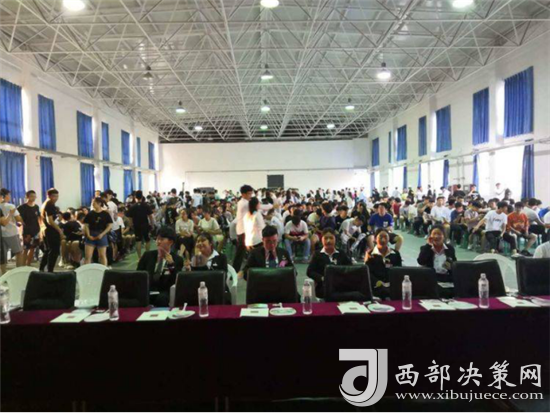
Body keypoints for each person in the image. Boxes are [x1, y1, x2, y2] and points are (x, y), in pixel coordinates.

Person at [137, 226, 183, 307]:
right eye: (157, 239)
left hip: (164, 292)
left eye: (161, 239)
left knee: (162, 298)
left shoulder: (177, 259)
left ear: (170, 242)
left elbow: (176, 281)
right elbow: (138, 275)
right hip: (147, 290)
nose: (158, 242)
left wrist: (171, 265)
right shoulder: (147, 255)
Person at [307, 228, 351, 298]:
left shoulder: (341, 253)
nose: (328, 241)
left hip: (341, 285)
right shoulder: (317, 254)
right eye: (326, 238)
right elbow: (310, 271)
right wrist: (321, 278)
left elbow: (350, 268)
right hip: (323, 286)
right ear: (322, 239)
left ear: (335, 239)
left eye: (331, 238)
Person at [364, 228, 402, 296]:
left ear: (389, 239)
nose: (383, 240)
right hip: (375, 288)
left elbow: (399, 271)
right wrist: (377, 282)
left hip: (392, 287)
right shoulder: (369, 254)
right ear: (375, 239)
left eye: (385, 237)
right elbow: (367, 273)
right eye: (380, 237)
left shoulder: (396, 254)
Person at [83, 197, 113, 266]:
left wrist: (102, 234)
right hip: (91, 234)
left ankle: (104, 270)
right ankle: (87, 271)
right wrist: (88, 235)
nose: (92, 204)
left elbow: (109, 225)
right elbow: (86, 225)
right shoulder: (90, 214)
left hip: (102, 234)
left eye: (94, 202)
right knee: (88, 256)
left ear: (99, 203)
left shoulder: (105, 214)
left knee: (102, 256)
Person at [40, 188, 63, 272]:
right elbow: (50, 221)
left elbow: (53, 219)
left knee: (48, 251)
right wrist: (59, 230)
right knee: (54, 251)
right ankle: (50, 270)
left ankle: (42, 268)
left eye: (57, 196)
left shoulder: (47, 204)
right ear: (48, 196)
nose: (56, 198)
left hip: (46, 230)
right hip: (51, 231)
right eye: (53, 196)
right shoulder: (49, 204)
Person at [0, 189, 24, 271]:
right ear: (5, 196)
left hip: (2, 234)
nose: (10, 196)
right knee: (19, 252)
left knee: (3, 256)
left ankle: (3, 273)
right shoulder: (10, 206)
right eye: (9, 195)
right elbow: (18, 219)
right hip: (11, 233)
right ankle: (18, 271)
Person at [126, 190, 154, 258]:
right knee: (147, 240)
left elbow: (129, 218)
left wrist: (131, 225)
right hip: (145, 225)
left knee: (138, 241)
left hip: (136, 226)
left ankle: (139, 257)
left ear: (135, 197)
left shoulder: (132, 207)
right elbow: (151, 216)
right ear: (142, 196)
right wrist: (152, 224)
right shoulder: (146, 205)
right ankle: (147, 255)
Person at [17, 190, 42, 266]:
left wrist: (40, 230)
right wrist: (21, 226)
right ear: (27, 197)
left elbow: (39, 218)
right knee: (25, 249)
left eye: (34, 196)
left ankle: (28, 265)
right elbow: (18, 219)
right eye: (31, 196)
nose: (33, 198)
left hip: (35, 231)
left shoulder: (36, 207)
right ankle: (23, 265)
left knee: (33, 248)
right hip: (26, 231)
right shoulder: (22, 207)